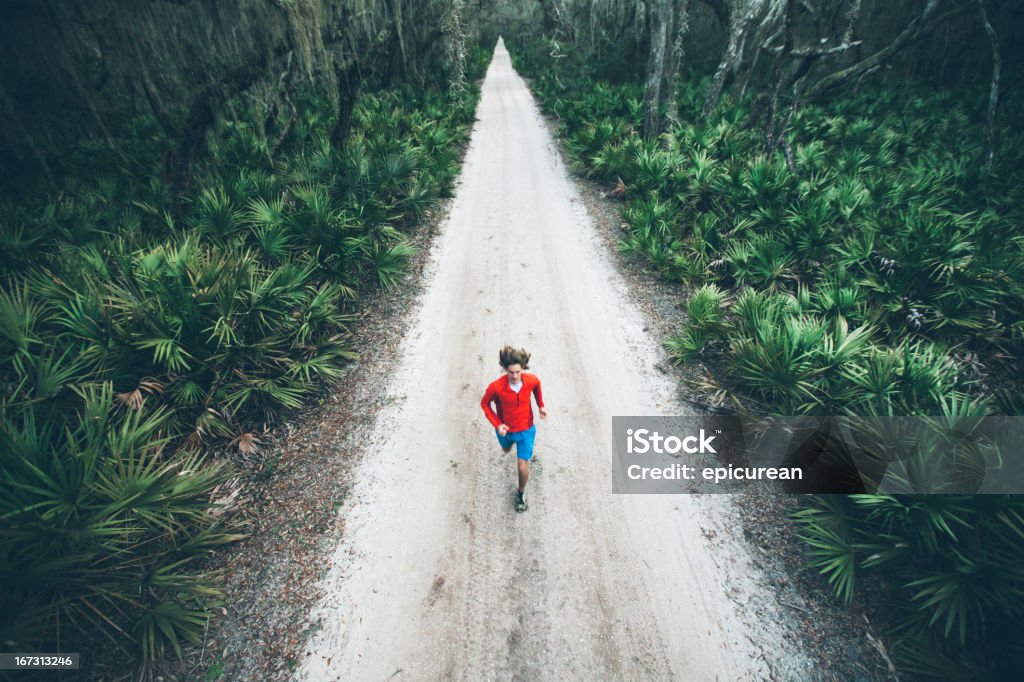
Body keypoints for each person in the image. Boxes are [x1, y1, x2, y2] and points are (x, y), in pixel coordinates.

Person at [480, 345, 548, 512]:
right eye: (511, 372)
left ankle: (521, 493)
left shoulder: (531, 380)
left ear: (523, 368)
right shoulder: (496, 387)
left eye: (518, 372)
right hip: (505, 430)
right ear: (505, 370)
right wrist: (498, 424)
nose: (515, 376)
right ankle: (508, 444)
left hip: (526, 430)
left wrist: (541, 406)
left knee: (522, 466)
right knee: (505, 447)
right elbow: (485, 404)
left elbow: (537, 386)